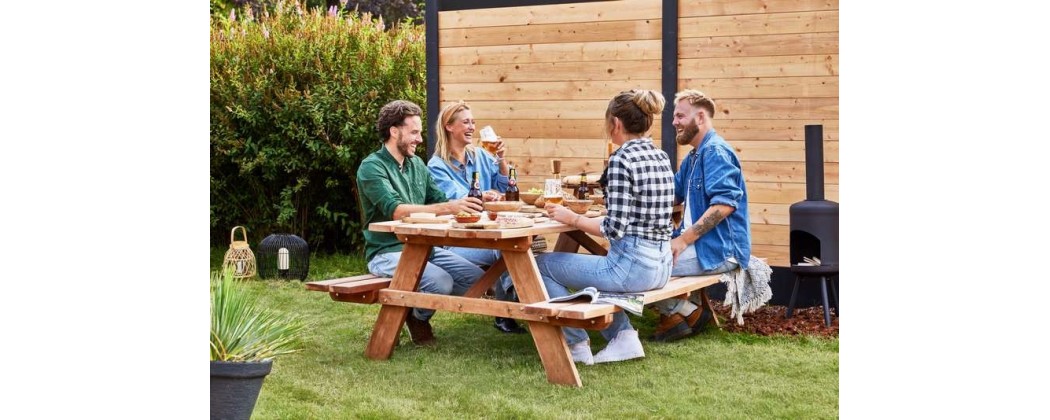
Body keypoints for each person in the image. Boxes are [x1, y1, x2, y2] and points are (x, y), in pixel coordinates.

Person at [528, 89, 676, 364]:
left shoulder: (622, 159)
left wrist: (571, 218)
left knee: (541, 265)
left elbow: (613, 229)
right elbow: (633, 218)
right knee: (585, 271)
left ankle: (576, 343)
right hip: (661, 266)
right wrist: (572, 215)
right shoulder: (661, 156)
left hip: (632, 269)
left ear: (616, 124)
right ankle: (624, 338)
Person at [356, 99, 486, 346]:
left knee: (476, 280)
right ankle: (417, 317)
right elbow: (396, 210)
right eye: (413, 132)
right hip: (387, 251)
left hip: (424, 247)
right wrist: (449, 207)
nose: (419, 139)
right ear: (394, 132)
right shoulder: (372, 167)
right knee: (441, 283)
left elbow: (440, 200)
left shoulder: (417, 164)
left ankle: (414, 308)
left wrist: (469, 205)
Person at [649, 89, 753, 342]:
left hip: (721, 251)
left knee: (643, 267)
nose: (674, 122)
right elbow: (671, 195)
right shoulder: (694, 156)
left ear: (701, 117)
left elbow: (724, 205)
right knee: (641, 255)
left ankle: (684, 311)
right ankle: (687, 312)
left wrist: (683, 240)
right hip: (702, 245)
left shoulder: (715, 152)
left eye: (680, 116)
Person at [426, 101, 525, 334]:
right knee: (504, 248)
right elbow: (459, 200)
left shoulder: (482, 155)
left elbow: (508, 187)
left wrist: (501, 159)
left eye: (473, 122)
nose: (471, 127)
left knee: (512, 244)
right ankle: (511, 307)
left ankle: (513, 305)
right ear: (449, 127)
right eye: (466, 122)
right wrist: (485, 196)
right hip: (458, 241)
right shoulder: (436, 166)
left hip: (489, 233)